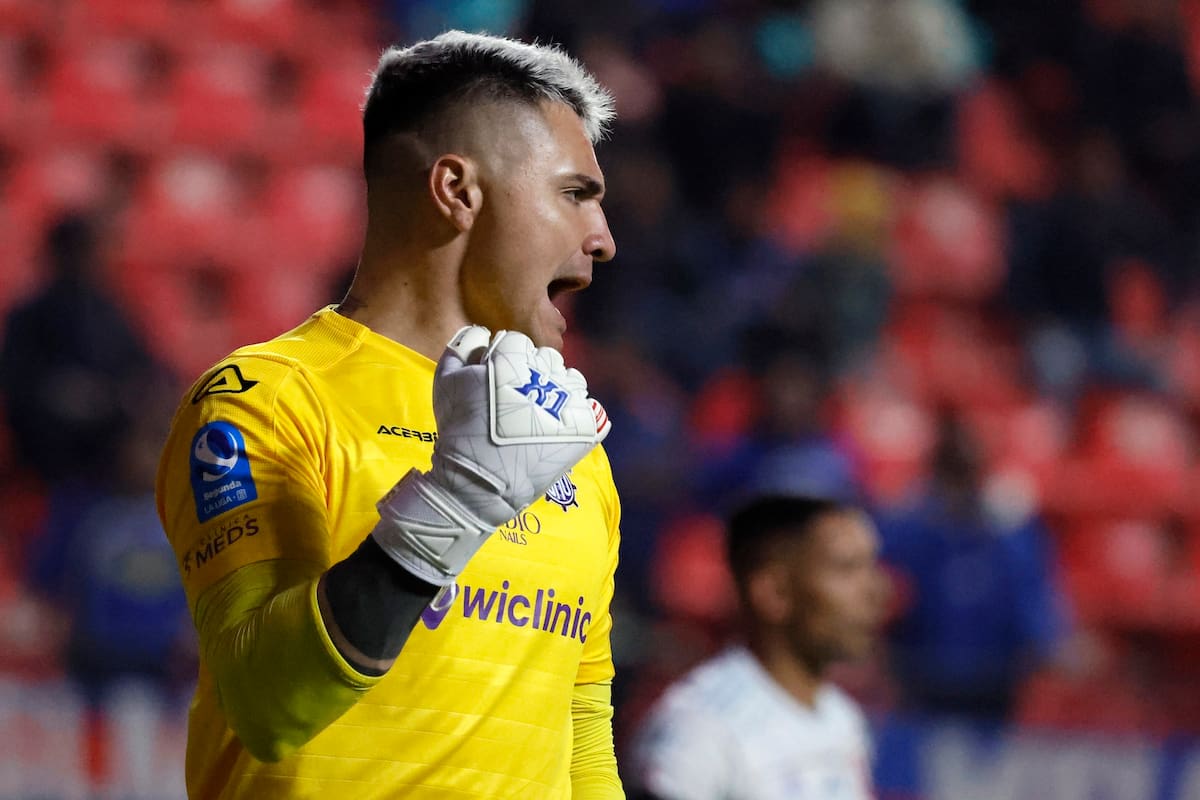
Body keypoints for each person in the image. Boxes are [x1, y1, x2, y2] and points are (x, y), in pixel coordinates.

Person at [156, 30, 623, 799]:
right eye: (575, 195)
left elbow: (581, 736)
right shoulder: (264, 400)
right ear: (457, 191)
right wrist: (455, 503)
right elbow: (265, 704)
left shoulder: (568, 442)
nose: (602, 240)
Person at [630, 495, 884, 800]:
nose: (875, 590)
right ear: (774, 592)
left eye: (871, 565)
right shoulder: (699, 730)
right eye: (845, 569)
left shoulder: (843, 720)